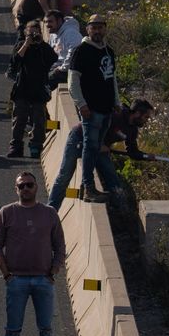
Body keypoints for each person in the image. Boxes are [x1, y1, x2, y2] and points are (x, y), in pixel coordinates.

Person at [0, 171, 66, 336]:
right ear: (16, 189)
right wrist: (7, 275)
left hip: (43, 281)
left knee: (46, 330)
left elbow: (60, 246)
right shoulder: (6, 213)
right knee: (13, 330)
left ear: (36, 187)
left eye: (29, 185)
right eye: (21, 186)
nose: (25, 188)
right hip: (16, 281)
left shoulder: (49, 213)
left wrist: (53, 271)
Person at [66, 12, 119, 204]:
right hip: (92, 109)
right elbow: (73, 81)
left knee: (96, 148)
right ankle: (88, 187)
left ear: (105, 28)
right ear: (87, 29)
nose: (97, 30)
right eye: (93, 26)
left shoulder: (108, 51)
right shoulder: (81, 51)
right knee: (89, 147)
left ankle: (91, 187)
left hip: (106, 109)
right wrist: (82, 104)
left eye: (100, 26)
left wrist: (117, 102)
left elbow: (111, 78)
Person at [8, 20, 56, 159]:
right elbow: (15, 62)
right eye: (31, 31)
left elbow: (53, 58)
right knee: (19, 120)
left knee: (39, 121)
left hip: (39, 90)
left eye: (36, 31)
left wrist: (41, 43)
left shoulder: (43, 47)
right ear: (25, 32)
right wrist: (26, 44)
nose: (34, 33)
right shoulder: (20, 46)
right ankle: (16, 146)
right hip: (22, 88)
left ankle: (35, 146)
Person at [43, 9, 83, 82]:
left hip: (70, 70)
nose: (47, 25)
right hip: (57, 67)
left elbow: (75, 53)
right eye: (45, 22)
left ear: (59, 21)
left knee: (43, 83)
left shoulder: (70, 33)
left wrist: (62, 68)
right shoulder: (53, 34)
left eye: (50, 21)